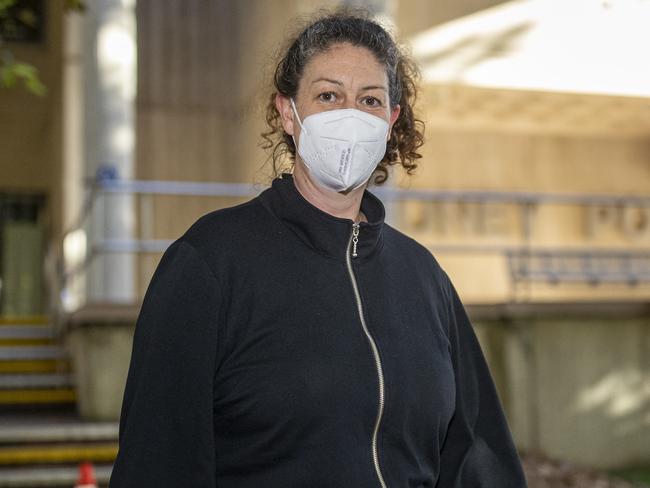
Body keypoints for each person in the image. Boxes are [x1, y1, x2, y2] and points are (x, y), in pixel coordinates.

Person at [109, 9, 527, 488]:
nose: (351, 115)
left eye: (370, 100)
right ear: (289, 112)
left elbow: (478, 458)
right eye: (328, 96)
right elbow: (158, 462)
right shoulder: (210, 262)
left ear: (391, 120)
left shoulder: (424, 277)